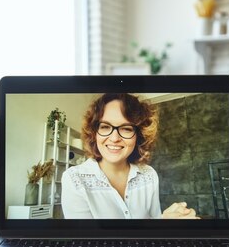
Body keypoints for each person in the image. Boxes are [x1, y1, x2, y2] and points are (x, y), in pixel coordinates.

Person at [61, 93, 198, 219]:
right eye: (105, 127)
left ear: (138, 136)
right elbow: (87, 243)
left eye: (126, 129)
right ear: (94, 133)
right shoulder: (74, 179)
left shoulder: (149, 175)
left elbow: (154, 223)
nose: (114, 138)